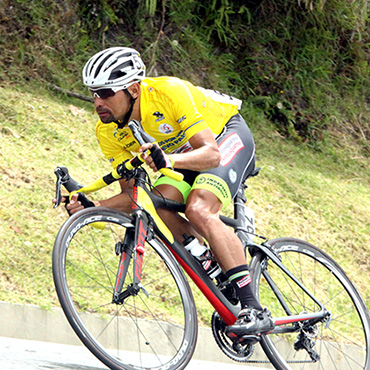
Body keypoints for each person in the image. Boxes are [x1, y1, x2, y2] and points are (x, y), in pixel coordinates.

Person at [67, 46, 274, 339]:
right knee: (154, 204)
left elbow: (211, 155)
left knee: (199, 208)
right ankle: (212, 262)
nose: (97, 101)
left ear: (134, 89)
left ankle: (255, 309)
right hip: (180, 156)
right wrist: (94, 205)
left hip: (223, 137)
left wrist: (170, 160)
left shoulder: (168, 92)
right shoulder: (108, 132)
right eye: (93, 93)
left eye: (106, 92)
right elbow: (134, 195)